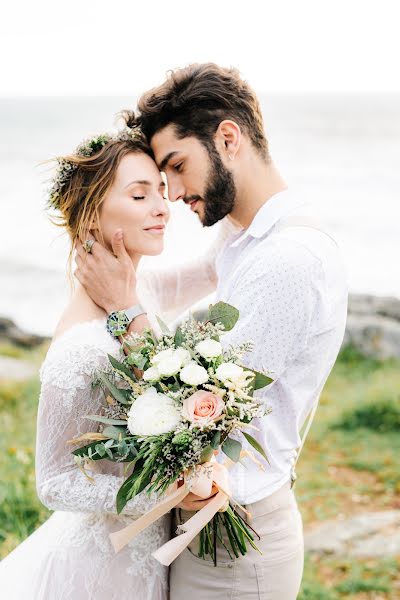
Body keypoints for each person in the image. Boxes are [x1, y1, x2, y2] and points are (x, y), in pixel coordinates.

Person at [75, 64, 348, 599]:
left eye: (177, 166)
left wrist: (122, 305)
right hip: (203, 522)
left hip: (237, 545)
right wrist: (102, 264)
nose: (172, 193)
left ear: (228, 137)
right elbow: (181, 283)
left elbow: (194, 415)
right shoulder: (246, 234)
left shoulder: (287, 259)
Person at [0, 116, 234, 600]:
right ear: (91, 218)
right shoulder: (79, 348)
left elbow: (216, 264)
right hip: (100, 571)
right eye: (139, 194)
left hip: (151, 556)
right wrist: (165, 496)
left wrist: (229, 166)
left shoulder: (139, 289)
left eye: (163, 190)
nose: (163, 207)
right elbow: (54, 482)